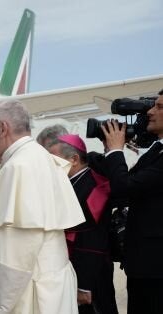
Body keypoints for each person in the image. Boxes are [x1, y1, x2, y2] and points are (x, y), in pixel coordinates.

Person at [0, 100, 84, 314]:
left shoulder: (19, 166)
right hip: (47, 285)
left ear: (3, 128)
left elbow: (16, 256)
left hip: (26, 296)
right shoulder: (37, 156)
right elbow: (30, 223)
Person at [97, 89, 163, 313]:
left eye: (160, 107)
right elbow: (124, 190)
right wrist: (106, 152)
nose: (151, 112)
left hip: (156, 269)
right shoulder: (156, 151)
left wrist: (116, 150)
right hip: (143, 265)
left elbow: (125, 187)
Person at [47, 134, 118, 314]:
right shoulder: (71, 182)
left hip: (90, 270)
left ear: (74, 159)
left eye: (55, 160)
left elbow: (93, 238)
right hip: (70, 264)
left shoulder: (95, 185)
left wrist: (85, 284)